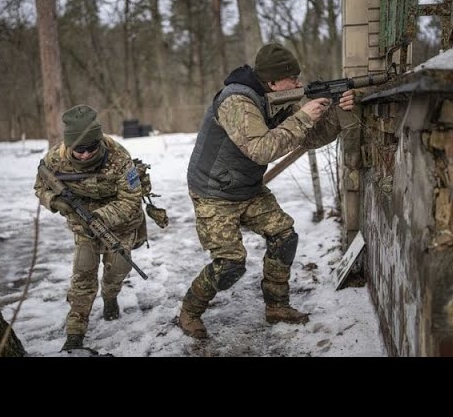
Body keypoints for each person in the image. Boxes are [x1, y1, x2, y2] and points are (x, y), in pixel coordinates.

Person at [179, 42, 357, 339]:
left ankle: (277, 307)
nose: (298, 83)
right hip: (214, 193)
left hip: (247, 187)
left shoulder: (273, 97)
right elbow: (261, 150)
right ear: (273, 81)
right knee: (230, 265)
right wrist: (303, 117)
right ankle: (189, 311)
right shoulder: (236, 101)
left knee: (284, 236)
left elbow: (308, 138)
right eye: (293, 78)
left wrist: (338, 113)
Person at [34, 104, 146, 352]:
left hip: (121, 223)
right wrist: (55, 201)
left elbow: (130, 200)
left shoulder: (119, 158)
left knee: (118, 267)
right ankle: (75, 331)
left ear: (100, 143)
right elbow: (40, 187)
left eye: (90, 148)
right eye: (78, 149)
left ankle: (110, 295)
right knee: (83, 275)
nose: (84, 155)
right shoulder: (55, 159)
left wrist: (99, 216)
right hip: (82, 226)